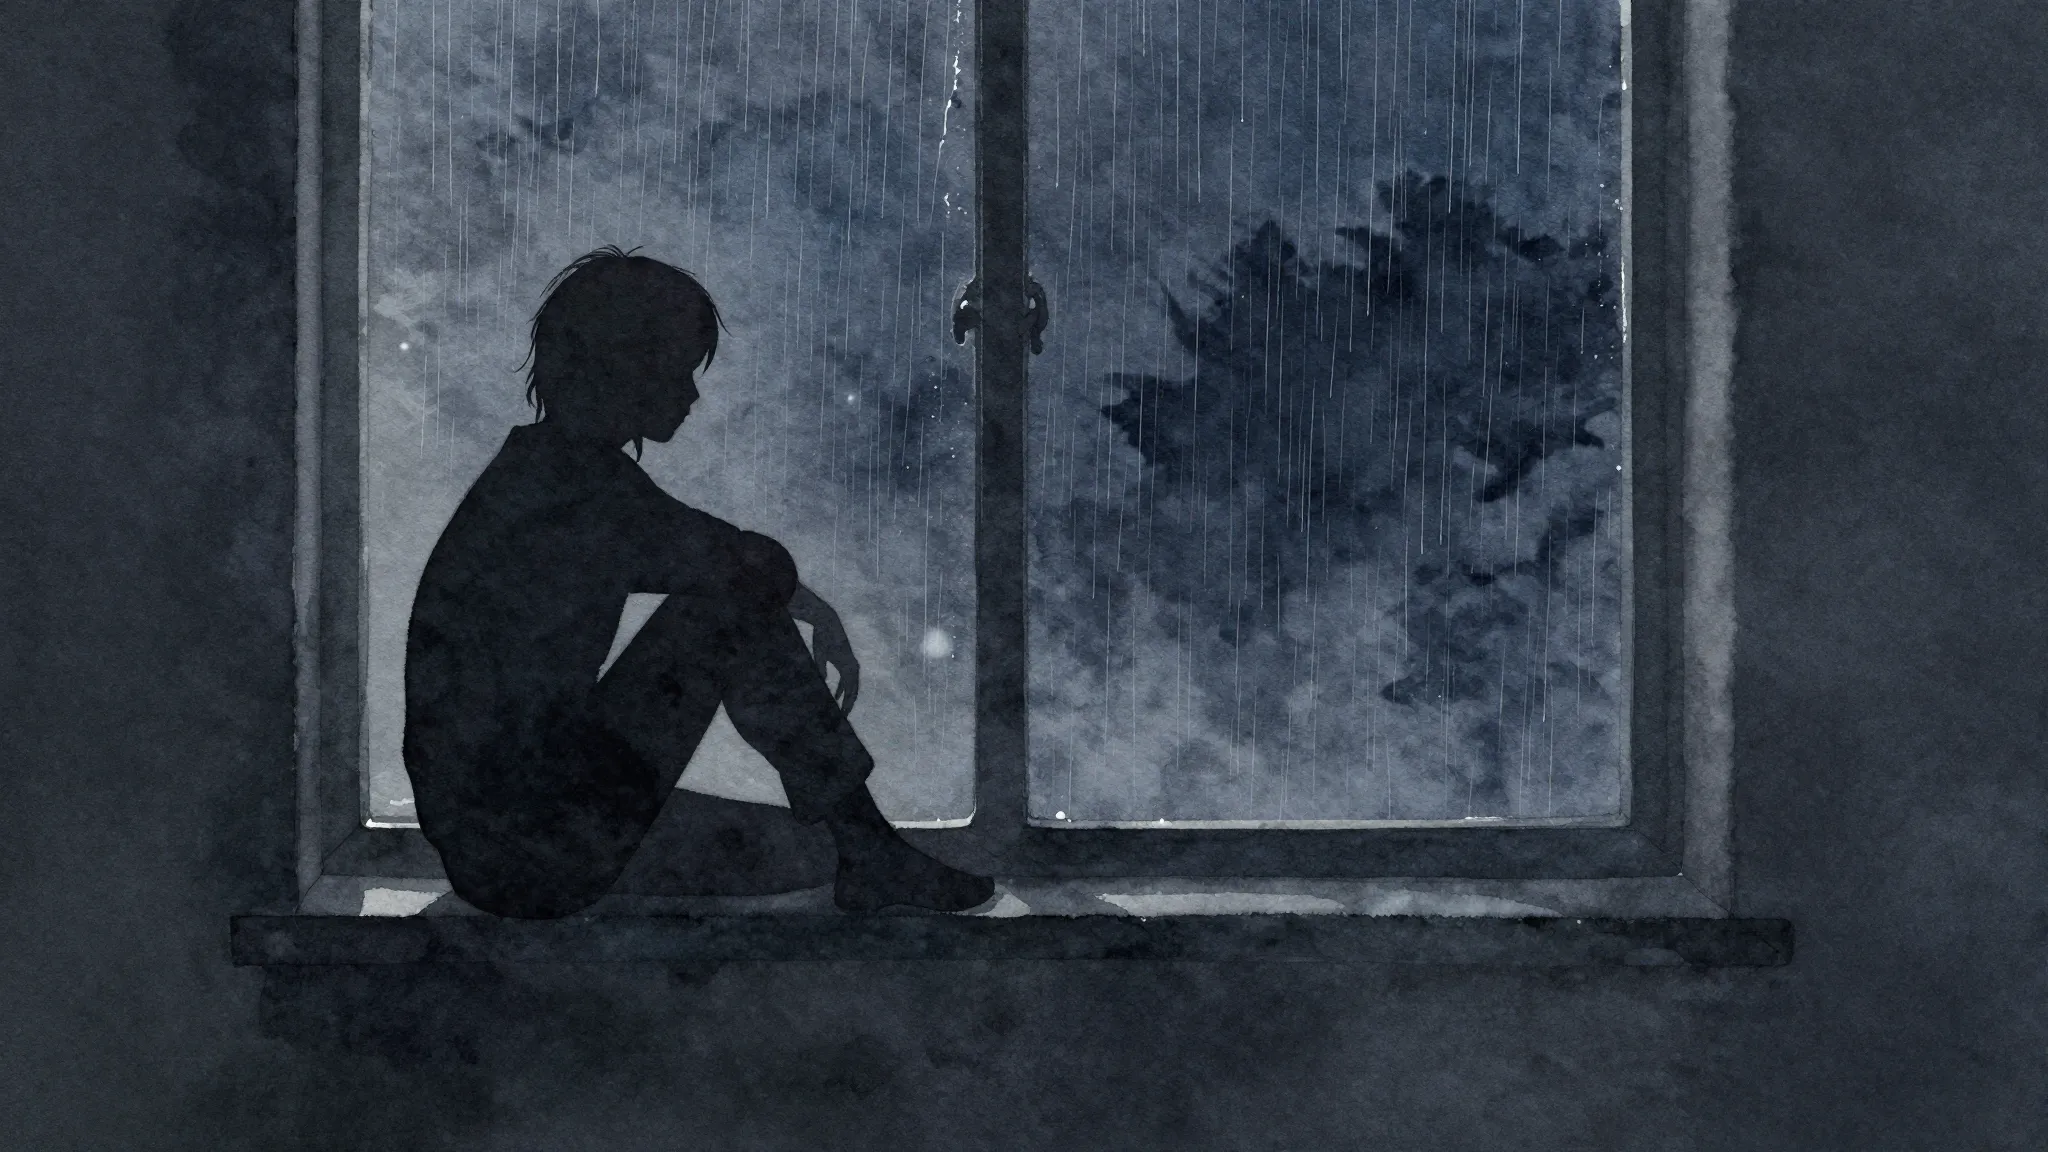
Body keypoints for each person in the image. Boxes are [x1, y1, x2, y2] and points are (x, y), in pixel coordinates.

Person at [403, 247, 995, 919]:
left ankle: (863, 847)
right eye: (678, 370)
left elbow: (714, 552)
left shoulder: (542, 473)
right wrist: (810, 610)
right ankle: (871, 850)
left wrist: (801, 600)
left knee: (806, 848)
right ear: (624, 368)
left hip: (501, 842)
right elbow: (746, 567)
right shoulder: (578, 490)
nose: (690, 395)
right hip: (535, 845)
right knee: (727, 614)